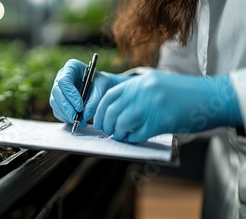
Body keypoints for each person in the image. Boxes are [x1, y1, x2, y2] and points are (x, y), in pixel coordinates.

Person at [49, 0, 246, 218]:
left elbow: (201, 91)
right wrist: (125, 86)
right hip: (224, 183)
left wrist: (227, 96)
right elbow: (188, 71)